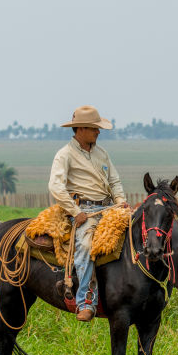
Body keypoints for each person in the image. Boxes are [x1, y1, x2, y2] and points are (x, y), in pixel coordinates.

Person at [48, 105, 128, 321]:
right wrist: (75, 212)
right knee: (85, 245)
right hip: (86, 211)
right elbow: (56, 187)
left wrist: (120, 201)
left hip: (109, 208)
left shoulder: (102, 153)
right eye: (95, 128)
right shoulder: (64, 155)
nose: (99, 132)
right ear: (81, 129)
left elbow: (115, 181)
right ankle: (86, 301)